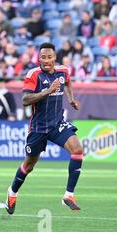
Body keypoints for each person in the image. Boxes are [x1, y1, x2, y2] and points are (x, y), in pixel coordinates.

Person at [5, 43, 84, 215]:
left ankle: (69, 195)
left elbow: (68, 83)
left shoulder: (63, 71)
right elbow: (25, 99)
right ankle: (12, 192)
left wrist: (71, 99)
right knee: (29, 165)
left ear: (55, 58)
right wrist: (47, 91)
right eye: (43, 57)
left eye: (49, 57)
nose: (46, 61)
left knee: (78, 149)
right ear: (38, 58)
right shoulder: (34, 75)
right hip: (39, 127)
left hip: (57, 123)